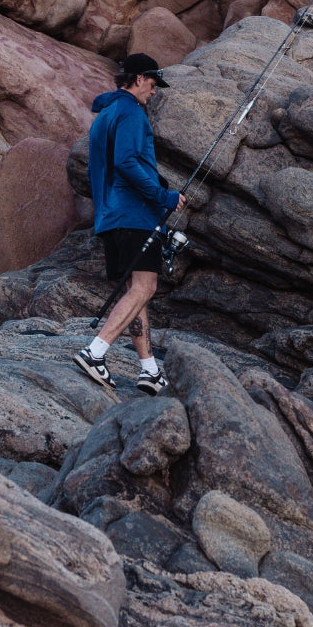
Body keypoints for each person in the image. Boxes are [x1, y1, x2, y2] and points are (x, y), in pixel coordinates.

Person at [74, 53, 185, 393]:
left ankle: (149, 370)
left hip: (110, 217)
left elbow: (114, 165)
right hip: (134, 214)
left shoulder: (106, 114)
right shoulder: (132, 113)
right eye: (153, 84)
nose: (154, 92)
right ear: (138, 79)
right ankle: (96, 352)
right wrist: (163, 196)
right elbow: (126, 162)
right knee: (145, 287)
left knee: (136, 292)